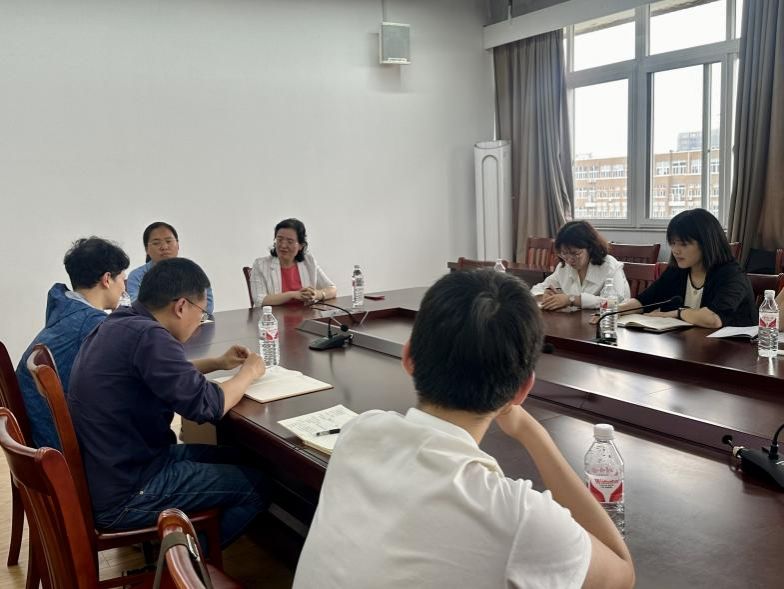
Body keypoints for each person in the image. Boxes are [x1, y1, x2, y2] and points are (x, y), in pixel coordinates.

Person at [293, 270, 635, 589]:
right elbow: (621, 573)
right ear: (522, 391)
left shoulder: (358, 432)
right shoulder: (517, 516)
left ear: (408, 358)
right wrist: (532, 433)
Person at [68, 258, 267, 547]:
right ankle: (184, 564)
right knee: (257, 486)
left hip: (115, 472)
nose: (200, 322)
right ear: (181, 306)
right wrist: (249, 373)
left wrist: (217, 362)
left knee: (239, 458)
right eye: (202, 313)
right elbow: (208, 405)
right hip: (130, 492)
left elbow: (159, 373)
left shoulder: (123, 323)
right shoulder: (150, 337)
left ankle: (182, 548)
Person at [15, 237, 129, 449]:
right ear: (107, 279)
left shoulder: (65, 311)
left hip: (41, 437)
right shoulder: (92, 325)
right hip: (63, 446)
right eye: (123, 279)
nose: (124, 288)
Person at [616, 208, 756, 328]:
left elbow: (713, 319)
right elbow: (643, 301)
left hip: (734, 348)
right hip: (691, 344)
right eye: (672, 243)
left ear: (706, 243)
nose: (675, 250)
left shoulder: (732, 274)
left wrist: (676, 313)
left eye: (683, 244)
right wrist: (615, 311)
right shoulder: (676, 271)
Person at [531, 220, 630, 310]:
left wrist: (572, 299)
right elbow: (537, 289)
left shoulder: (609, 266)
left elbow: (614, 303)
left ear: (590, 248)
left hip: (610, 321)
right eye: (564, 253)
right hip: (577, 320)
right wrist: (544, 295)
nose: (570, 260)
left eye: (575, 253)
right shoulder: (564, 267)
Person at [126, 221, 215, 314]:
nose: (164, 247)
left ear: (178, 244)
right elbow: (137, 307)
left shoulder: (192, 270)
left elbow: (208, 305)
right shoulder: (137, 276)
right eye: (156, 243)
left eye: (168, 241)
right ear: (146, 249)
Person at [249, 218, 336, 306]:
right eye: (279, 240)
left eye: (290, 242)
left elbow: (332, 289)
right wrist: (292, 295)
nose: (283, 245)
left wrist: (316, 294)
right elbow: (259, 300)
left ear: (301, 246)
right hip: (275, 314)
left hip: (306, 313)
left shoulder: (309, 261)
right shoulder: (261, 265)